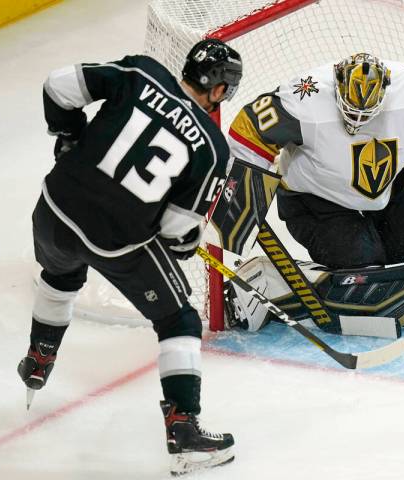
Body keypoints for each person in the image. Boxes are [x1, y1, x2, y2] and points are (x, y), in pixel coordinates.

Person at [17, 39, 242, 475]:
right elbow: (175, 233)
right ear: (219, 91)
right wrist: (186, 243)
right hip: (113, 239)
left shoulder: (142, 72)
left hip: (53, 209)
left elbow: (58, 86)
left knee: (60, 272)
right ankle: (184, 431)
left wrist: (70, 138)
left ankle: (38, 358)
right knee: (179, 320)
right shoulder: (214, 149)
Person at [225, 53, 404, 332]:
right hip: (317, 204)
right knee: (365, 280)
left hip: (385, 195)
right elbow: (248, 131)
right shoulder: (304, 100)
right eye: (351, 109)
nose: (358, 120)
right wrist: (240, 194)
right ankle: (270, 281)